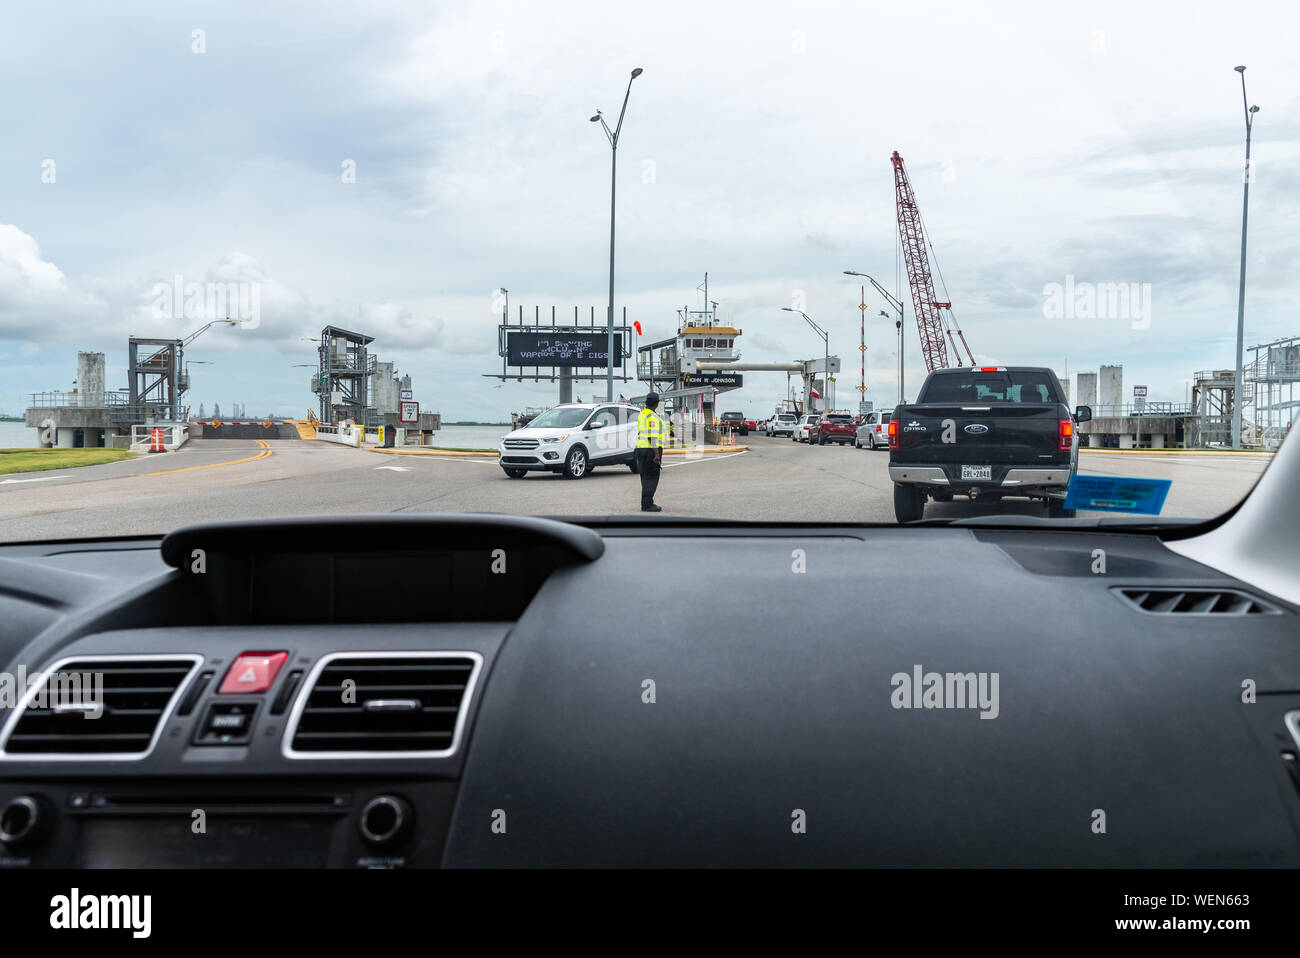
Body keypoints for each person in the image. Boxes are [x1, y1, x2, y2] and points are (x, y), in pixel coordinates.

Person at [635, 393, 667, 512]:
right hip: (651, 450)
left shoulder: (643, 414)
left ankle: (646, 502)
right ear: (657, 403)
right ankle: (647, 504)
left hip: (641, 449)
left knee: (645, 477)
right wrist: (657, 454)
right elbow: (652, 436)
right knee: (652, 477)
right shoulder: (652, 417)